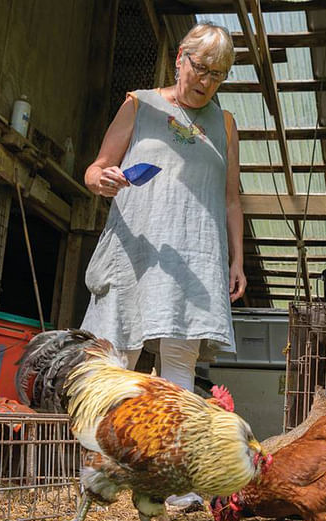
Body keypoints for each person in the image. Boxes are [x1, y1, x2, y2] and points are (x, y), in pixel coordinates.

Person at [80, 22, 245, 393]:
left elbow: (231, 200)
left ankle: (170, 450)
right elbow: (95, 169)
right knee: (115, 363)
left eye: (217, 75)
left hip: (194, 259)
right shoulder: (139, 104)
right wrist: (101, 180)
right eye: (200, 68)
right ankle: (100, 450)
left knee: (179, 371)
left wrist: (237, 260)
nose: (205, 82)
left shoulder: (226, 125)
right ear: (180, 59)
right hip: (135, 252)